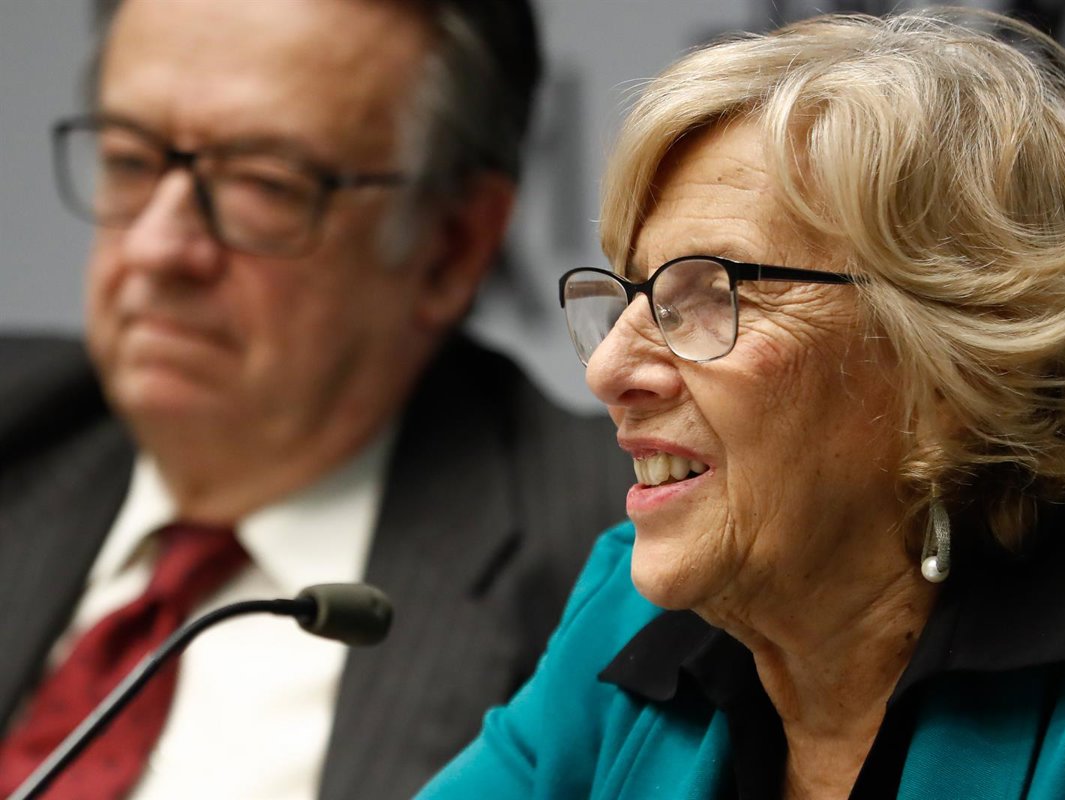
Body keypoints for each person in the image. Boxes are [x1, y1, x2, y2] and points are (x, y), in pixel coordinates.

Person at [418, 8, 1065, 799]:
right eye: (635, 295)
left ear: (956, 364)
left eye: (709, 295)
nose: (611, 369)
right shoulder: (624, 620)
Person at [0, 0, 629, 797]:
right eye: (129, 161)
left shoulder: (622, 567)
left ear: (450, 247)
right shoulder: (25, 430)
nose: (157, 248)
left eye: (262, 184)